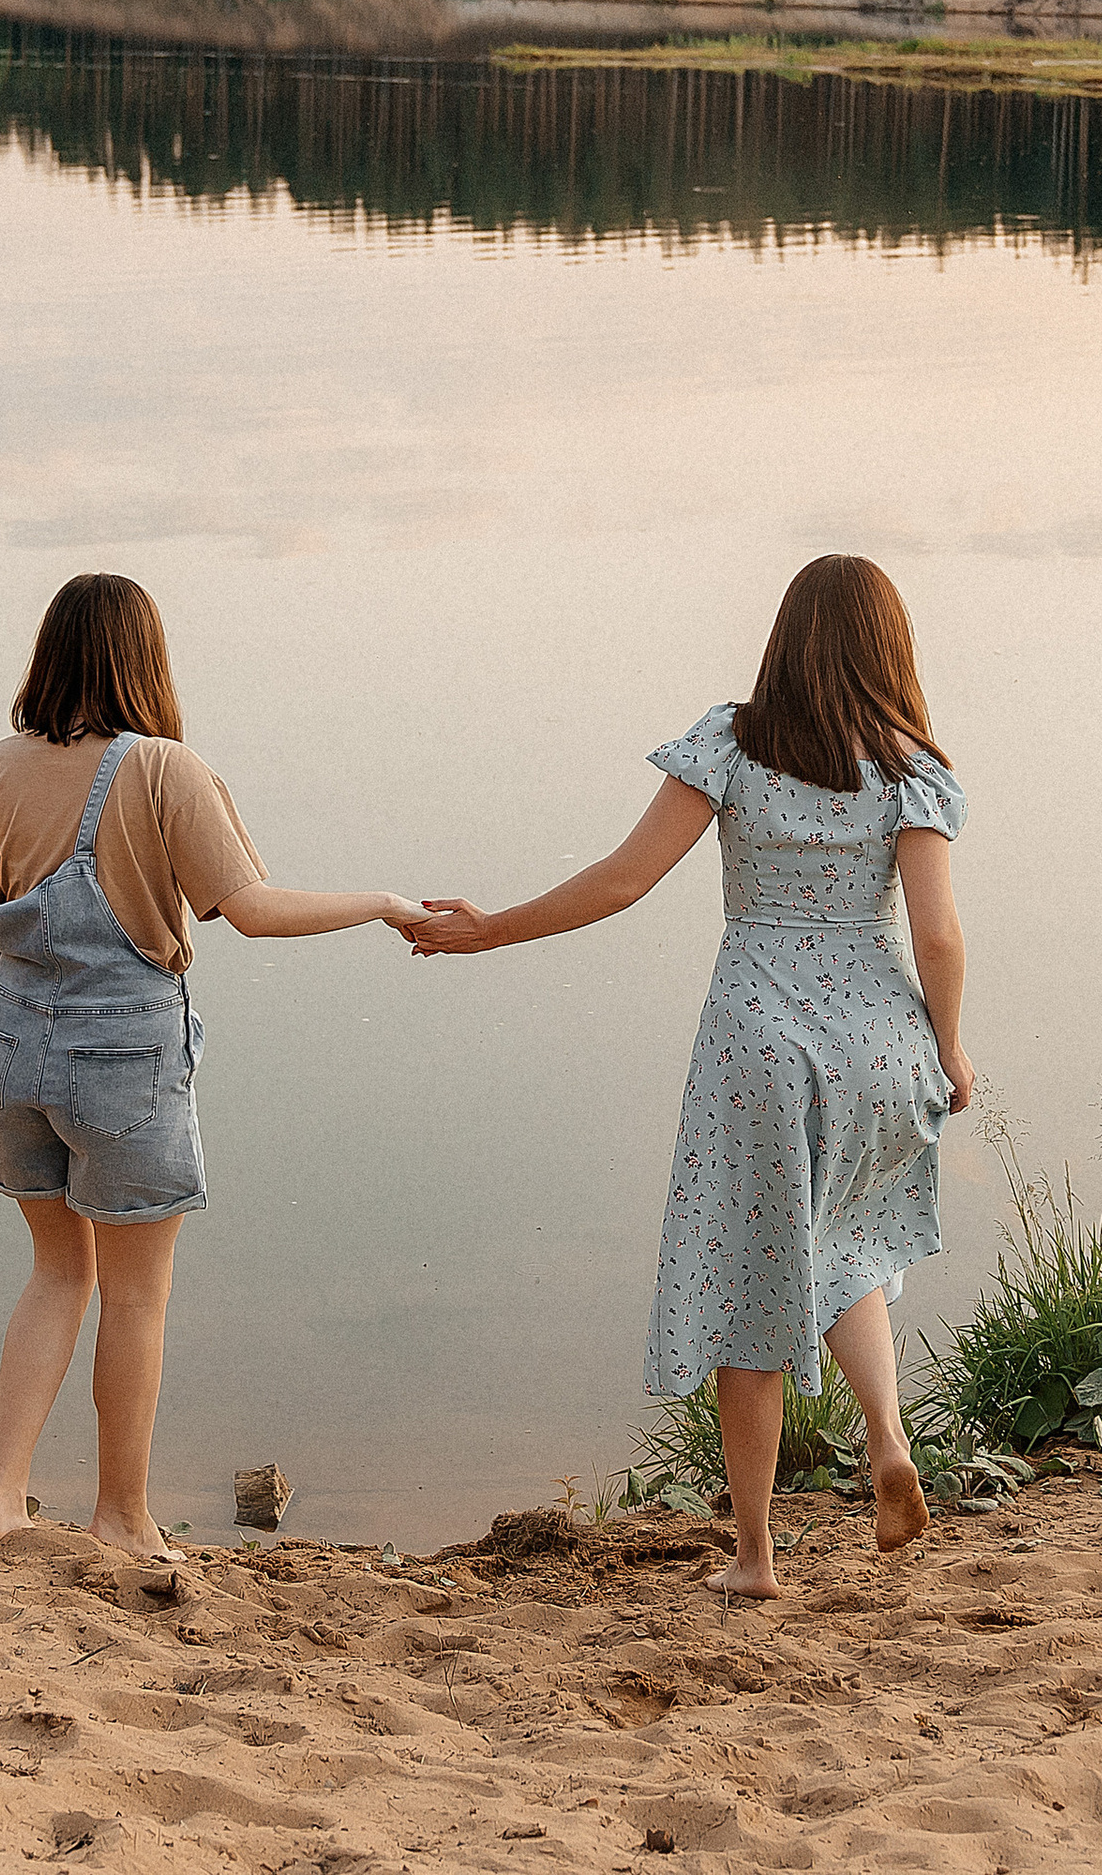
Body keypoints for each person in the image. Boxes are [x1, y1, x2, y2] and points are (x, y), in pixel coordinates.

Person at [409, 555, 971, 1591]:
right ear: (890, 648)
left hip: (758, 1038)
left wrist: (494, 931)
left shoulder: (729, 743)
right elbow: (937, 935)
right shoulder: (910, 768)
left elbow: (622, 880)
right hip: (878, 1039)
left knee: (746, 1283)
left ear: (784, 639)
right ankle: (886, 1437)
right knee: (841, 1240)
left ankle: (756, 1555)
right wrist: (947, 1045)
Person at [0, 572, 423, 1563]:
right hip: (120, 1055)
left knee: (52, 1272)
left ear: (49, 653)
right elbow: (250, 907)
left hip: (10, 1044)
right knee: (133, 1294)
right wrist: (381, 900)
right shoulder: (165, 768)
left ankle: (0, 1494)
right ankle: (120, 1512)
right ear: (146, 659)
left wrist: (10, 1048)